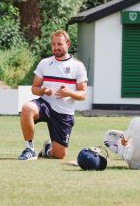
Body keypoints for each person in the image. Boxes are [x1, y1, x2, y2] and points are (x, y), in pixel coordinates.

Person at [18, 30, 88, 160]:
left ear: (68, 44)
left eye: (59, 44)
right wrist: (43, 90)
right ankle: (29, 149)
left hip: (63, 112)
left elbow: (83, 94)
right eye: (53, 44)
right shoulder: (44, 63)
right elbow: (34, 88)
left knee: (59, 155)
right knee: (27, 108)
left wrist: (69, 92)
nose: (56, 47)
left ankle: (47, 150)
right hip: (45, 104)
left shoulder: (78, 66)